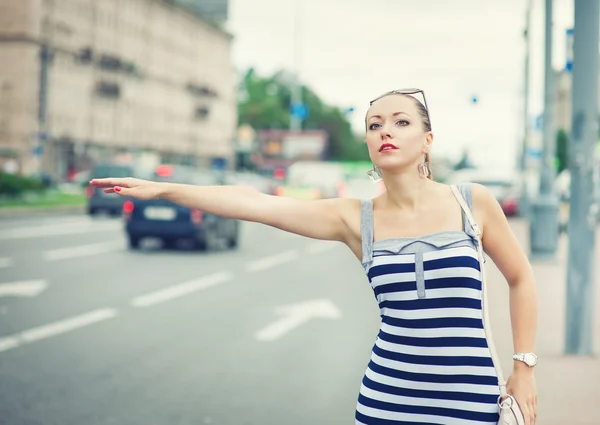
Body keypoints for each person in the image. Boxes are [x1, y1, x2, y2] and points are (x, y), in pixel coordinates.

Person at [90, 89, 538, 425]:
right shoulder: (353, 218)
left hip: (471, 402)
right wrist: (164, 188)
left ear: (427, 140)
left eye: (401, 122)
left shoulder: (471, 203)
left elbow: (521, 279)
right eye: (374, 124)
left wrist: (524, 366)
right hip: (387, 402)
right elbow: (255, 203)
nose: (385, 130)